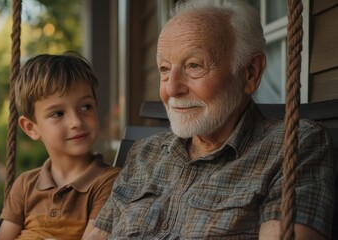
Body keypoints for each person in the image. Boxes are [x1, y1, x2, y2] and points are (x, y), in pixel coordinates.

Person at [87, 0, 335, 239]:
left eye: (194, 66)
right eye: (164, 69)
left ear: (250, 73)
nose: (171, 89)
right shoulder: (145, 153)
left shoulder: (292, 146)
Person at [0, 52, 120, 240]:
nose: (76, 122)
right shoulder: (25, 184)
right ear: (31, 128)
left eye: (85, 107)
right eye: (58, 114)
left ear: (96, 106)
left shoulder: (108, 182)